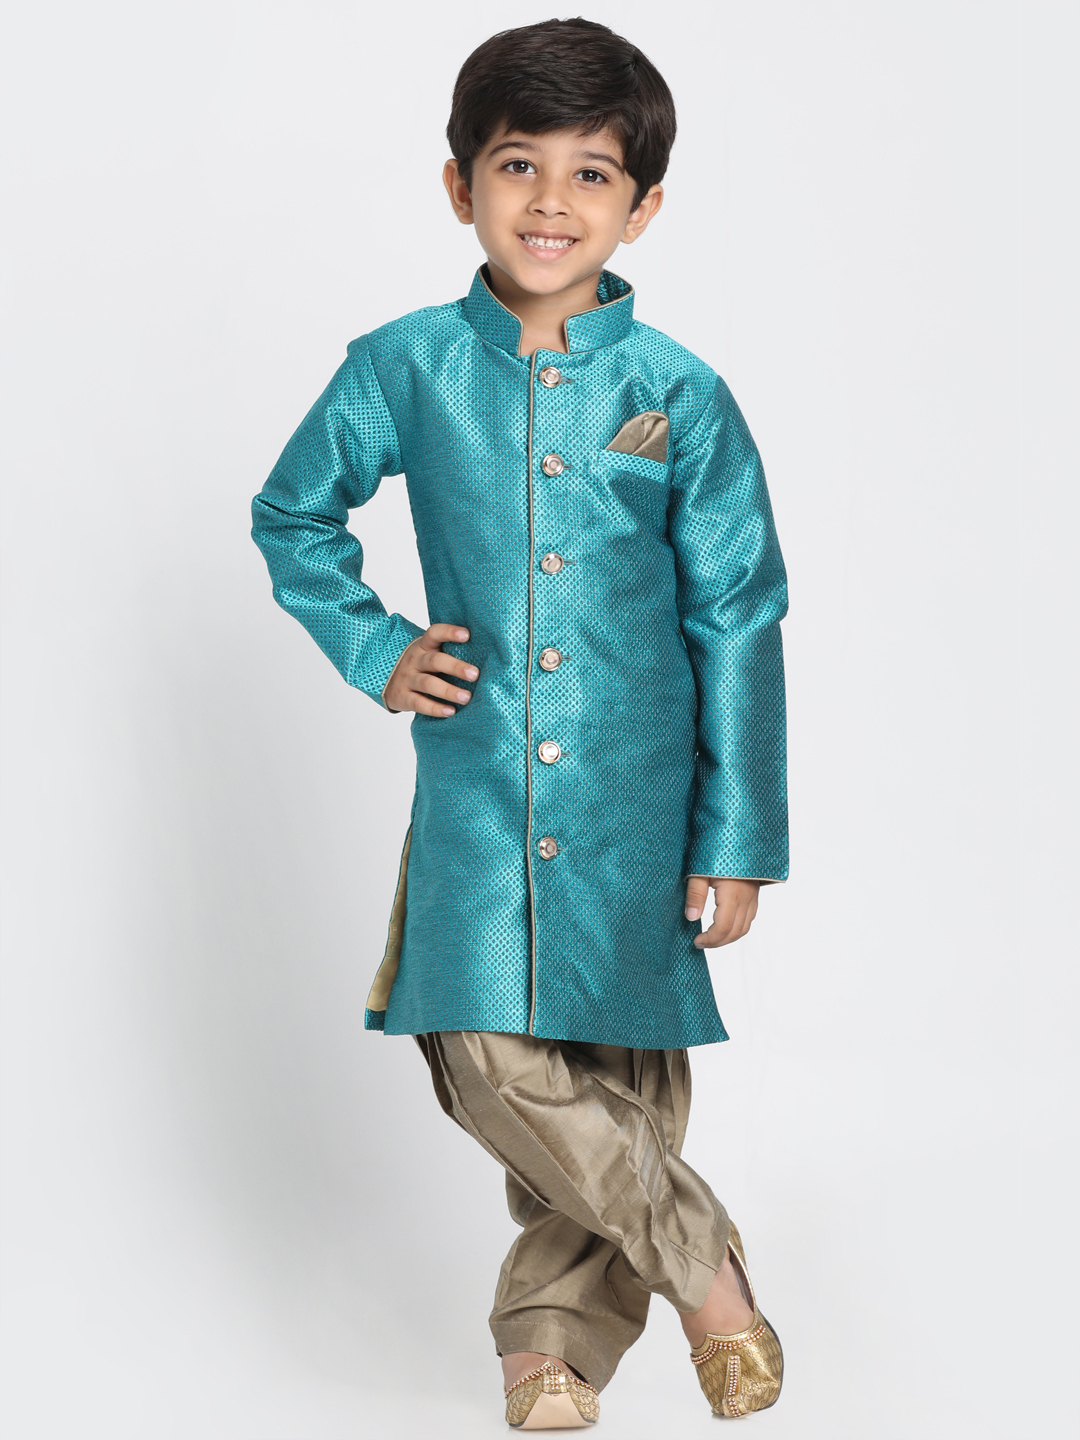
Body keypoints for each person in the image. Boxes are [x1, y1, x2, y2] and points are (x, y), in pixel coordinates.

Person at [251, 17, 788, 1427]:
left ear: (642, 206)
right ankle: (705, 1265)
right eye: (517, 165)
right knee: (482, 1052)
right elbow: (293, 513)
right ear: (460, 186)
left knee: (621, 1077)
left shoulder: (679, 392)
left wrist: (737, 836)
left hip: (640, 795)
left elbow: (740, 615)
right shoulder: (405, 364)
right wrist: (376, 648)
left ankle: (547, 1353)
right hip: (480, 781)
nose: (551, 202)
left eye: (591, 174)